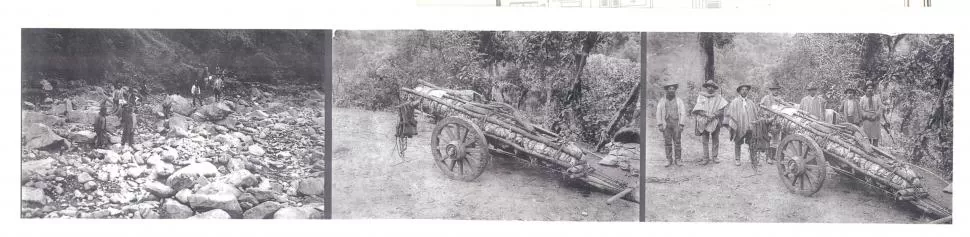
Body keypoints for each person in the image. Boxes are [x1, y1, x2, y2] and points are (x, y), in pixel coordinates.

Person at [691, 80, 728, 165]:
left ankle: (715, 157)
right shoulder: (701, 97)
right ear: (706, 87)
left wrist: (714, 115)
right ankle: (705, 158)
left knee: (715, 139)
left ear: (714, 88)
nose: (710, 88)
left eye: (712, 87)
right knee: (705, 140)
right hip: (704, 120)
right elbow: (698, 109)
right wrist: (706, 115)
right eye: (708, 86)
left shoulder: (719, 97)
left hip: (715, 120)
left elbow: (721, 110)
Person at [724, 84, 759, 167]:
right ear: (739, 91)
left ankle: (753, 159)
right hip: (739, 125)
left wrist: (754, 123)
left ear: (748, 91)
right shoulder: (734, 102)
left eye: (746, 89)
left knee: (752, 143)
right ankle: (737, 159)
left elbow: (755, 114)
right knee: (737, 142)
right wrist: (734, 125)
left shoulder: (751, 102)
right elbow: (730, 114)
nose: (744, 91)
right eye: (742, 89)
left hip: (749, 126)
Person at [656, 81, 686, 167]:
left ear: (675, 90)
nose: (671, 90)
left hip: (676, 123)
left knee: (677, 142)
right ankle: (669, 159)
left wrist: (681, 124)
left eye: (673, 89)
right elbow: (658, 112)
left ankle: (678, 159)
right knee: (667, 142)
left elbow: (683, 112)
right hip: (666, 124)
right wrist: (660, 124)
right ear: (667, 90)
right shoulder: (662, 101)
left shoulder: (679, 101)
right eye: (670, 89)